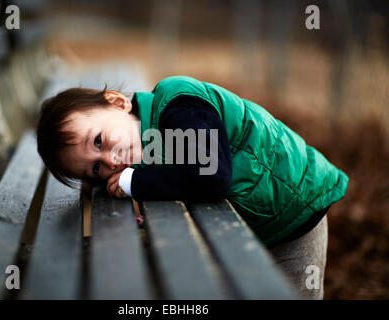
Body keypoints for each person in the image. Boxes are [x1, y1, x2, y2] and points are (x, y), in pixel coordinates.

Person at [36, 75, 348, 299]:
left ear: (117, 103)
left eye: (100, 141)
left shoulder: (179, 103)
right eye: (95, 168)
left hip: (295, 210)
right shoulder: (143, 145)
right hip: (256, 218)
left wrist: (136, 183)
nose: (111, 161)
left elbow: (209, 175)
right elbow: (176, 178)